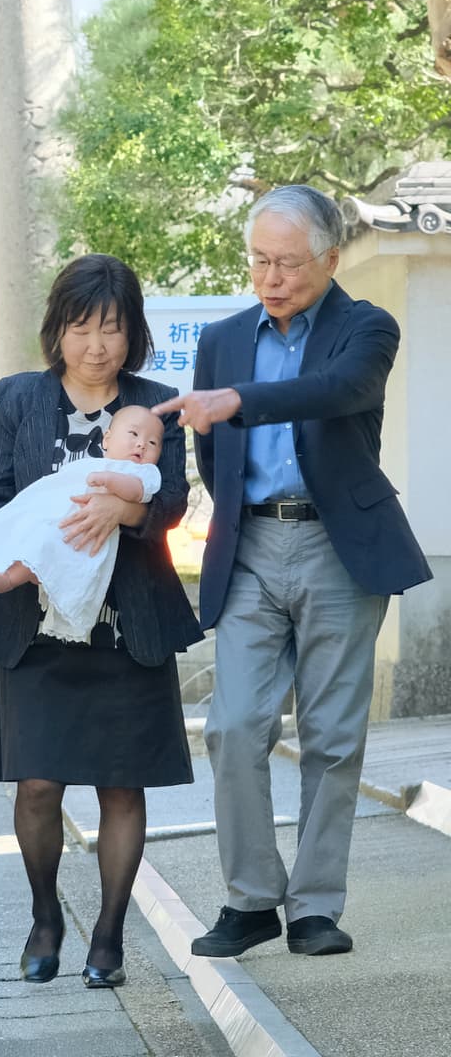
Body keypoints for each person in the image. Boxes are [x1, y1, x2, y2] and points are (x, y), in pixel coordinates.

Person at [153, 185, 433, 959]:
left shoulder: (364, 328)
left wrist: (238, 399)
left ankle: (314, 906)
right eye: (259, 261)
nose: (271, 278)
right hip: (250, 548)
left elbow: (341, 392)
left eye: (288, 263)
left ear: (330, 260)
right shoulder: (223, 338)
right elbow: (214, 457)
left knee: (332, 738)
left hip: (338, 546)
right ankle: (249, 900)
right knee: (234, 725)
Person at [0, 255, 202, 990]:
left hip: (127, 628)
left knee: (124, 787)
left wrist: (126, 508)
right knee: (37, 786)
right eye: (82, 326)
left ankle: (109, 936)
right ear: (57, 330)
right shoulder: (16, 400)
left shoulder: (159, 403)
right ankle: (44, 915)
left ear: (134, 333)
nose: (98, 345)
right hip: (34, 625)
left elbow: (174, 502)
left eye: (114, 328)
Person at [0, 404, 164, 644]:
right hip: (47, 514)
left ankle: (7, 579)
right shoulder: (89, 463)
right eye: (133, 434)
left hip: (77, 532)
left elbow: (138, 492)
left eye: (153, 443)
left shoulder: (143, 472)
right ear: (107, 439)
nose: (142, 444)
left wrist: (111, 481)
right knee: (10, 523)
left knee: (44, 546)